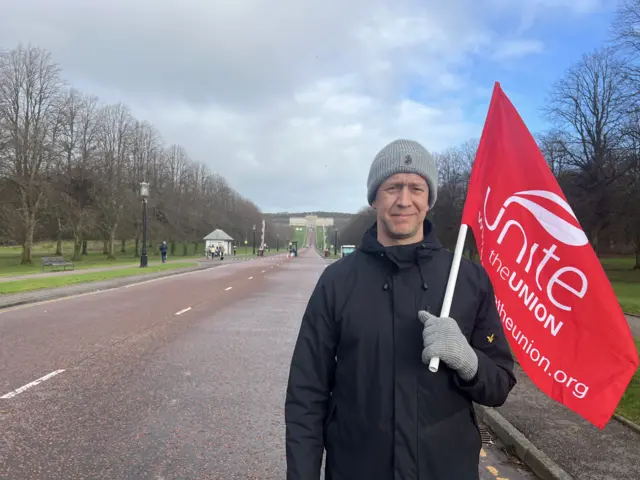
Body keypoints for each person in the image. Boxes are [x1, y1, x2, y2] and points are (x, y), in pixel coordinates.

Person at [284, 139, 516, 479]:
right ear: (375, 198)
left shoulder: (467, 279)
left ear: (429, 198)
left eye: (416, 188)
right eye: (392, 187)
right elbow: (307, 392)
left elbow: (499, 386)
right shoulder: (337, 281)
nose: (404, 200)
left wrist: (469, 361)